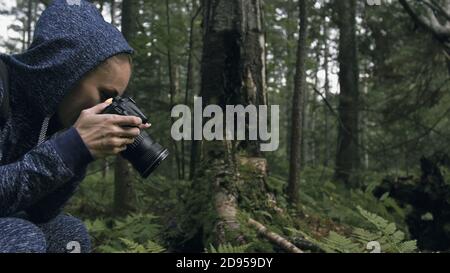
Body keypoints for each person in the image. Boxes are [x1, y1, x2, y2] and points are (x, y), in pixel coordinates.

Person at [0, 0, 149, 253]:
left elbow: (40, 211)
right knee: (21, 236)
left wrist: (83, 152)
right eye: (104, 95)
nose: (106, 109)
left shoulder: (47, 118)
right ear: (67, 67)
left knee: (69, 235)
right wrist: (69, 148)